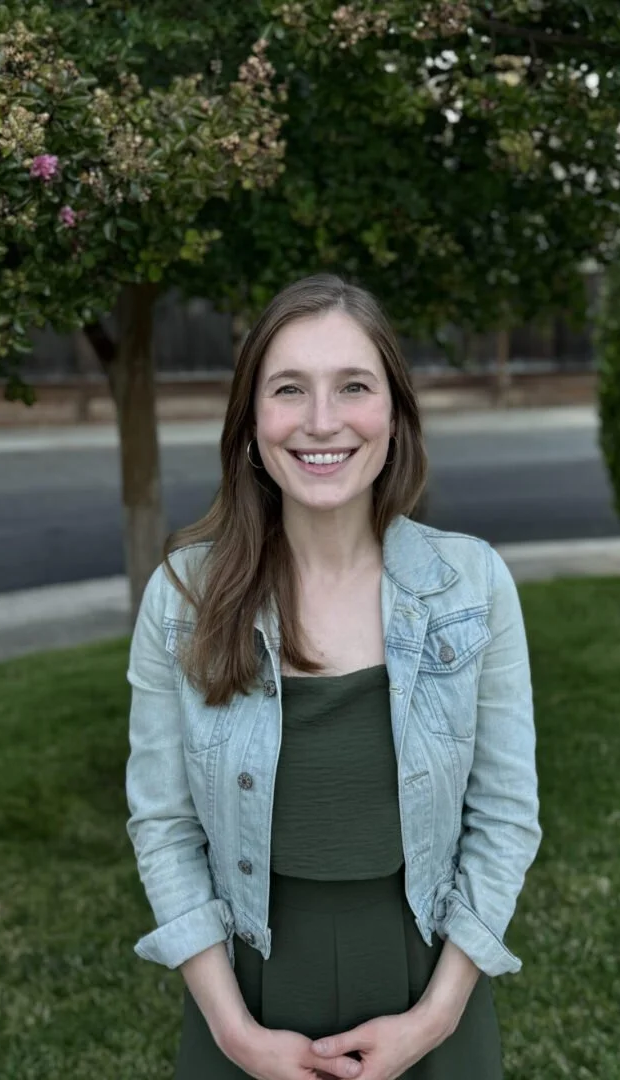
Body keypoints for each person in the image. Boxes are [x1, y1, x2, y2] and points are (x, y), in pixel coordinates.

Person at [125, 273, 542, 1080]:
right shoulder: (182, 597)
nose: (322, 422)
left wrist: (436, 1017)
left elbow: (505, 814)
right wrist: (235, 1033)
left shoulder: (473, 585)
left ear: (393, 414)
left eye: (353, 386)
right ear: (252, 421)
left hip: (429, 988)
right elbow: (164, 824)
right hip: (244, 997)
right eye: (289, 389)